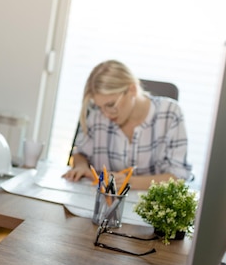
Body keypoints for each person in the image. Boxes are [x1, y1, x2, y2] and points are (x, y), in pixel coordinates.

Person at [62, 60, 192, 190]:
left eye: (110, 105)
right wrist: (81, 166)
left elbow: (178, 177)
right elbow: (80, 153)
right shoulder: (97, 114)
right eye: (99, 107)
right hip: (99, 201)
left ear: (132, 90)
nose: (106, 114)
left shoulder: (170, 113)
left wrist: (128, 182)